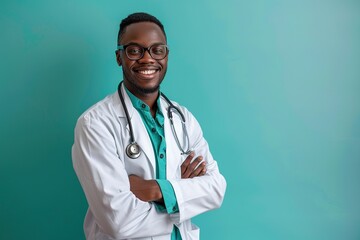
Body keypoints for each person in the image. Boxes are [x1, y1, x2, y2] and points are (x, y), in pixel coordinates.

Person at [72, 12, 226, 240]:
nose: (147, 59)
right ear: (119, 57)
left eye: (157, 50)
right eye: (135, 50)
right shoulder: (95, 124)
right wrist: (181, 199)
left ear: (166, 56)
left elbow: (216, 189)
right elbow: (119, 222)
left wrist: (156, 189)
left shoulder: (183, 119)